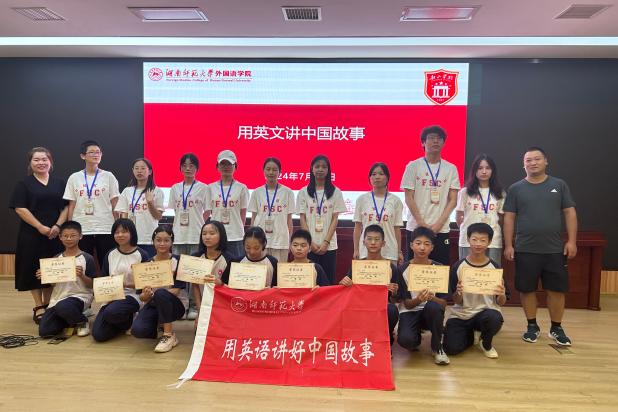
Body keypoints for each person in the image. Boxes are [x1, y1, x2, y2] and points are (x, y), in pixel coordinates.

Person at [503, 147, 577, 346]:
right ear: (523, 164)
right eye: (528, 160)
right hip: (525, 248)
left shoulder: (559, 185)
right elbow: (509, 218)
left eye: (537, 159)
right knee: (527, 290)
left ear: (546, 161)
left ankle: (556, 328)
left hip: (554, 249)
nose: (533, 163)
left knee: (556, 290)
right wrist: (508, 245)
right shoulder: (516, 188)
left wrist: (572, 241)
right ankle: (532, 326)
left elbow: (570, 213)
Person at [9, 147, 68, 324]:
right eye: (36, 159)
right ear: (30, 163)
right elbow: (20, 208)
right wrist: (40, 226)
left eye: (44, 159)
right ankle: (38, 306)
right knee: (32, 267)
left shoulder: (59, 183)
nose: (41, 162)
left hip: (55, 234)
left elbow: (66, 207)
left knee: (52, 268)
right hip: (31, 233)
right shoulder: (23, 184)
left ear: (50, 162)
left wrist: (58, 226)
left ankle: (48, 303)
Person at [443, 223, 508, 358]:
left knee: (494, 317)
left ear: (489, 242)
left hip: (485, 314)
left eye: (483, 240)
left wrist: (501, 294)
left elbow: (500, 302)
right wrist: (459, 293)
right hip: (462, 314)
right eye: (474, 239)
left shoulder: (495, 268)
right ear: (468, 240)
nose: (478, 244)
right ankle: (471, 336)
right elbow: (456, 301)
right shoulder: (458, 266)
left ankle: (486, 343)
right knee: (451, 349)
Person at [400, 126, 460, 264]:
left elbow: (453, 200)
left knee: (440, 269)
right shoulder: (413, 166)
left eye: (439, 138)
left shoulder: (451, 168)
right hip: (416, 227)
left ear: (443, 143)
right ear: (423, 142)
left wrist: (439, 224)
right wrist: (422, 224)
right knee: (414, 269)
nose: (436, 141)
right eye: (431, 138)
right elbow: (408, 198)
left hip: (441, 229)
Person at [397, 227, 450, 365]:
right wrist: (418, 299)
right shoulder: (402, 269)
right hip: (410, 311)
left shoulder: (439, 268)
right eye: (418, 243)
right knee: (407, 341)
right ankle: (415, 335)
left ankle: (437, 348)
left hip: (431, 311)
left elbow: (444, 304)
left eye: (427, 244)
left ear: (432, 247)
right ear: (411, 245)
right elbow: (407, 304)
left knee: (434, 307)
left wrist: (432, 298)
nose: (422, 247)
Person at [63, 140, 120, 268]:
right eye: (92, 152)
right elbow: (72, 204)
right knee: (82, 264)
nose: (96, 155)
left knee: (107, 264)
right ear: (83, 156)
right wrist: (70, 227)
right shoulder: (74, 177)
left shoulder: (109, 176)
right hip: (82, 227)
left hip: (105, 227)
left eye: (98, 152)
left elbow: (115, 203)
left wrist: (118, 225)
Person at [340, 224, 399, 347]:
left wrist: (394, 292)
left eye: (377, 239)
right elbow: (345, 292)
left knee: (392, 310)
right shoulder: (357, 266)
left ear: (383, 243)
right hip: (360, 305)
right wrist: (344, 283)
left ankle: (386, 342)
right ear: (364, 242)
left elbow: (394, 299)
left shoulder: (390, 267)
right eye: (369, 239)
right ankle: (355, 340)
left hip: (381, 305)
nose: (373, 243)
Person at [131, 226, 188, 353]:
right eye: (158, 240)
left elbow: (176, 291)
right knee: (138, 331)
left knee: (161, 293)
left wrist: (154, 294)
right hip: (154, 304)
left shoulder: (178, 261)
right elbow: (142, 297)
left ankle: (169, 335)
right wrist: (147, 295)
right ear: (153, 241)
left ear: (172, 242)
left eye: (166, 240)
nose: (162, 243)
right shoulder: (146, 265)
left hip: (175, 305)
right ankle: (160, 324)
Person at [91, 219, 149, 342]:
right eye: (117, 232)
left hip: (133, 296)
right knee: (98, 334)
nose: (120, 235)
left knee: (111, 312)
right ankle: (126, 322)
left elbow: (146, 284)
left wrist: (126, 284)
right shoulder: (110, 254)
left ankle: (132, 315)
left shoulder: (141, 254)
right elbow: (104, 277)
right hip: (112, 297)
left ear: (132, 233)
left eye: (124, 232)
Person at [168, 153, 210, 320]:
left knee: (194, 273)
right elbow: (175, 211)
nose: (188, 168)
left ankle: (193, 305)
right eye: (185, 165)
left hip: (195, 235)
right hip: (179, 236)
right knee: (179, 273)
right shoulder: (175, 188)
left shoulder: (204, 188)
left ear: (197, 169)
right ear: (180, 168)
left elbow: (207, 212)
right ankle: (181, 305)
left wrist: (199, 226)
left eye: (191, 165)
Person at [37, 221, 96, 338]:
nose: (69, 239)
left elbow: (92, 285)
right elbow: (54, 285)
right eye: (65, 236)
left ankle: (82, 321)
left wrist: (82, 276)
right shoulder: (56, 258)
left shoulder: (87, 258)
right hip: (58, 298)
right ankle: (71, 317)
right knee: (45, 331)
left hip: (80, 296)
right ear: (60, 237)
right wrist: (46, 276)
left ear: (80, 236)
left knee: (63, 307)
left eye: (73, 235)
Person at [297, 155, 347, 284]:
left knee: (328, 282)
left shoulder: (336, 192)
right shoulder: (303, 192)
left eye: (324, 167)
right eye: (317, 166)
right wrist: (310, 242)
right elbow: (302, 219)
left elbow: (335, 219)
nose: (320, 169)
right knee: (309, 281)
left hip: (329, 245)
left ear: (328, 170)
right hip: (309, 246)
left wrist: (326, 242)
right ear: (312, 169)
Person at [456, 154, 505, 264]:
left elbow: (501, 219)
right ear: (474, 170)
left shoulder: (500, 193)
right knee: (466, 271)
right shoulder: (465, 192)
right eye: (480, 168)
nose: (484, 171)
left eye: (488, 168)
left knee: (491, 272)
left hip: (492, 241)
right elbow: (459, 218)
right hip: (469, 240)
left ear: (492, 171)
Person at [353, 162, 404, 265]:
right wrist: (356, 250)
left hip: (389, 251)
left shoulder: (396, 201)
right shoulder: (362, 199)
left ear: (387, 177)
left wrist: (399, 251)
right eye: (374, 174)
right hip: (366, 251)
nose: (377, 177)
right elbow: (357, 228)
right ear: (370, 178)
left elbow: (397, 229)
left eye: (381, 174)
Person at [248, 157, 295, 263]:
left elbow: (289, 220)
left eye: (274, 169)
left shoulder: (288, 192)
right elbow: (253, 219)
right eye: (268, 169)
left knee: (278, 271)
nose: (271, 172)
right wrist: (251, 239)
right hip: (260, 242)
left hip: (281, 241)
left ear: (280, 172)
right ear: (263, 171)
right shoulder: (256, 192)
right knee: (260, 271)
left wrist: (289, 241)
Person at [115, 158, 164, 258]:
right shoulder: (127, 191)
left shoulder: (157, 191)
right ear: (133, 171)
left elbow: (158, 217)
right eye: (136, 168)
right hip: (130, 239)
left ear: (150, 171)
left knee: (148, 266)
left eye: (143, 168)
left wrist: (150, 203)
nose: (139, 171)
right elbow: (123, 217)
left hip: (149, 238)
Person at [209, 150, 249, 259]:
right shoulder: (210, 188)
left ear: (235, 166)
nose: (226, 167)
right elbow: (211, 212)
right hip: (216, 236)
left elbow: (243, 214)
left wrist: (237, 230)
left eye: (229, 164)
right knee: (216, 266)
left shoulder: (242, 188)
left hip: (235, 237)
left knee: (236, 266)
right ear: (217, 167)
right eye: (223, 164)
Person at [191, 220, 233, 311]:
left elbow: (232, 289)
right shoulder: (196, 258)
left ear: (221, 235)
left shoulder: (230, 259)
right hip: (202, 305)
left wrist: (220, 283)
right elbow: (195, 286)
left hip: (223, 306)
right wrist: (200, 310)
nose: (207, 237)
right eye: (204, 234)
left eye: (212, 233)